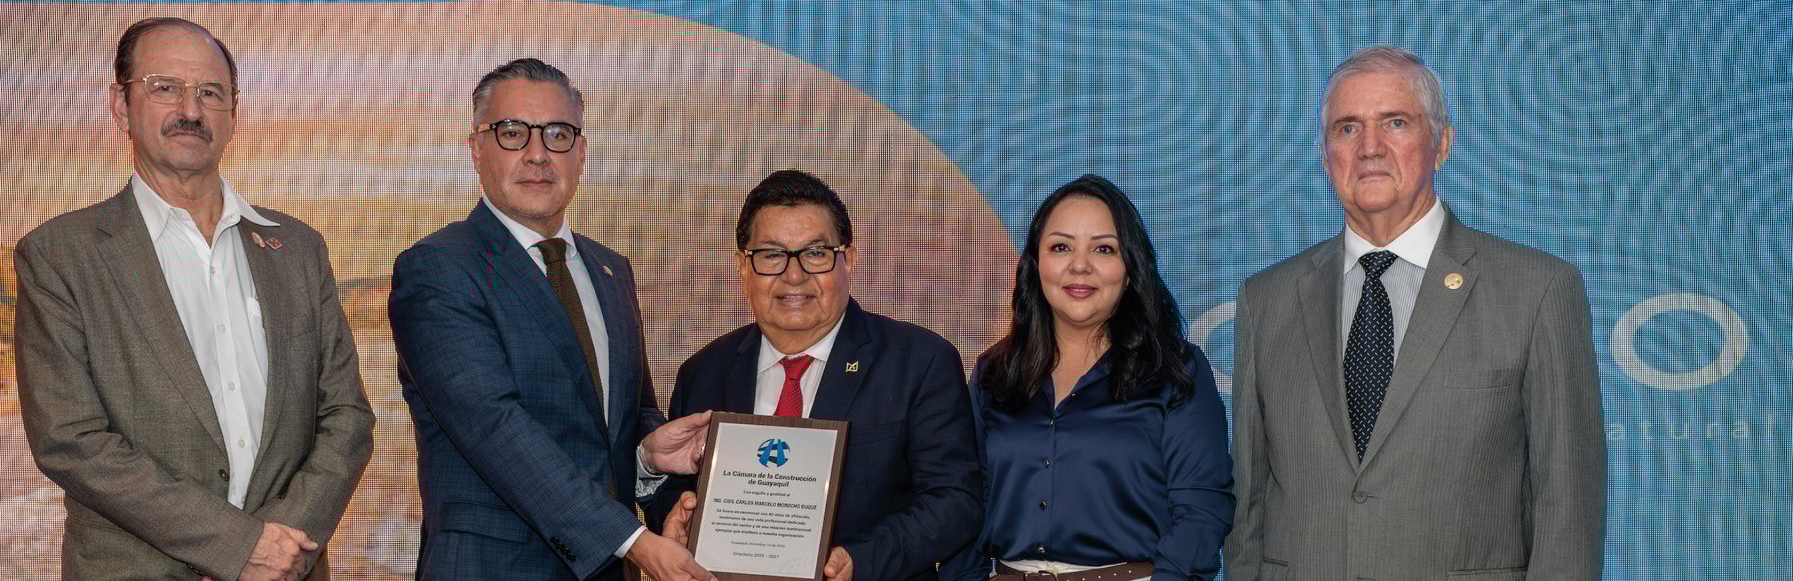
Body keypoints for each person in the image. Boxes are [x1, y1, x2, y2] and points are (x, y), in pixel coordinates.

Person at [1225, 46, 1606, 580]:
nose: (1370, 148)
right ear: (1325, 155)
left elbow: (1568, 513)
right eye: (1347, 128)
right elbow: (1248, 509)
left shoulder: (1538, 290)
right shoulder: (1267, 299)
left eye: (1396, 123)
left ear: (1441, 143)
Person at [15, 17, 374, 580]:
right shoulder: (60, 255)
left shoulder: (299, 249)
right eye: (164, 87)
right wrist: (238, 546)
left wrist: (280, 548)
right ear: (120, 105)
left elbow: (346, 417)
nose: (191, 109)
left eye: (211, 92)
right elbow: (70, 440)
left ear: (234, 112)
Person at [388, 57, 713, 581]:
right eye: (512, 132)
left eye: (558, 134)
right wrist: (632, 541)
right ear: (476, 149)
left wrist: (648, 455)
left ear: (581, 153)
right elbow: (494, 427)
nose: (538, 154)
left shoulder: (611, 270)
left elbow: (623, 416)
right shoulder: (438, 268)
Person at [644, 170, 983, 580]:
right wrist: (677, 516)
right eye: (771, 255)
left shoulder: (919, 362)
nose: (794, 275)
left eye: (816, 253)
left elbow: (955, 501)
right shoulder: (704, 372)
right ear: (742, 267)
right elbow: (675, 493)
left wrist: (860, 560)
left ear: (848, 259)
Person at [937, 175, 1233, 581]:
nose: (1080, 265)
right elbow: (966, 505)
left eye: (1103, 248)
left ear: (1130, 269)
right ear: (1035, 265)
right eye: (1061, 247)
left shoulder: (1175, 369)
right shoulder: (996, 371)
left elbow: (1201, 511)